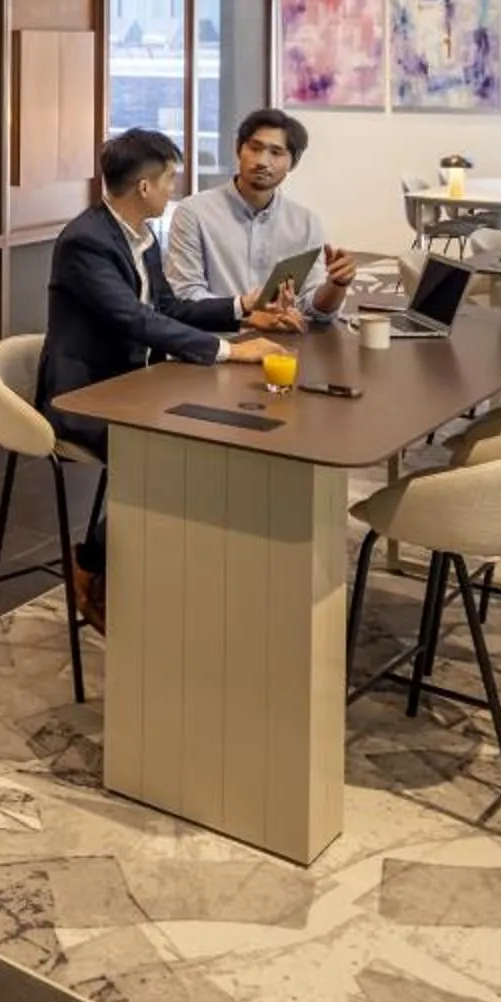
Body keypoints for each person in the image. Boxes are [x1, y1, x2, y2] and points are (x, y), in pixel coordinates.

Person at [37, 128, 291, 628]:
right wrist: (227, 353)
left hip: (133, 386)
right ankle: (93, 562)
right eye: (170, 177)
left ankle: (163, 567)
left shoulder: (141, 234)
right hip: (84, 398)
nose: (175, 187)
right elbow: (135, 320)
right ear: (145, 188)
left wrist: (243, 311)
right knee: (171, 459)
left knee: (208, 448)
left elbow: (167, 307)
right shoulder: (85, 242)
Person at [165, 107, 358, 323]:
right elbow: (185, 297)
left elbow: (314, 309)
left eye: (276, 153)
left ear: (293, 163)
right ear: (239, 150)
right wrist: (247, 316)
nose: (262, 162)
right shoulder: (194, 212)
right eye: (255, 148)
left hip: (282, 345)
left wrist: (337, 284)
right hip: (215, 343)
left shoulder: (306, 223)